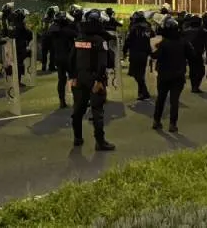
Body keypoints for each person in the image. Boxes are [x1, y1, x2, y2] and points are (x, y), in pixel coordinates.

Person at [69, 9, 116, 151]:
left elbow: (71, 60)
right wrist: (99, 81)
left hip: (79, 78)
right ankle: (100, 142)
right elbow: (104, 63)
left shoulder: (79, 39)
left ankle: (77, 138)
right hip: (95, 80)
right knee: (97, 111)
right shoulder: (100, 41)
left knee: (78, 110)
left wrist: (73, 77)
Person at [151, 17, 196, 132]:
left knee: (161, 98)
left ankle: (156, 121)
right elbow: (192, 55)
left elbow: (155, 56)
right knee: (174, 100)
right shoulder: (183, 41)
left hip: (163, 75)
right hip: (178, 75)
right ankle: (172, 124)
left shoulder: (164, 43)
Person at [48, 10, 77, 108]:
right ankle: (76, 100)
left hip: (58, 58)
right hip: (69, 58)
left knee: (61, 80)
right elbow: (77, 33)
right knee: (73, 78)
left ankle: (62, 101)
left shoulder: (54, 31)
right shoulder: (67, 31)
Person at [122, 11, 153, 101]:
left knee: (136, 74)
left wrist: (124, 51)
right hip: (145, 52)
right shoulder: (148, 26)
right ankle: (141, 93)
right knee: (140, 73)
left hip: (135, 52)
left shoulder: (134, 27)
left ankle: (145, 92)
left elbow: (128, 40)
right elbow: (153, 36)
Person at [182, 14, 207, 93]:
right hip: (198, 53)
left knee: (193, 70)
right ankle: (196, 86)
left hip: (189, 54)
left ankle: (194, 86)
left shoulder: (185, 31)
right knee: (201, 70)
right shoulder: (202, 31)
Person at [40, 6, 58, 72]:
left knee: (44, 53)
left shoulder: (43, 19)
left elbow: (41, 29)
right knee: (52, 53)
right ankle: (51, 66)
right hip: (51, 38)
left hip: (44, 38)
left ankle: (43, 66)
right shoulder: (54, 21)